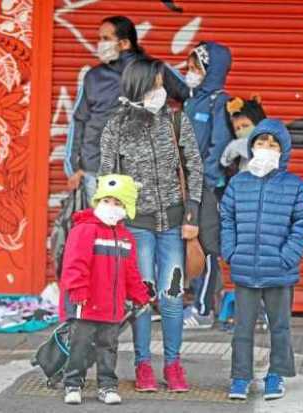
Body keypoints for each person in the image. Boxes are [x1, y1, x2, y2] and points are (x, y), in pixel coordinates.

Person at [99, 58, 204, 392]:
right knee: (142, 298)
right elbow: (106, 175)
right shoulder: (115, 125)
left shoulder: (176, 121)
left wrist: (192, 215)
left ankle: (173, 366)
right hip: (136, 228)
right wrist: (111, 218)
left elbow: (194, 168)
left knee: (172, 296)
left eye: (162, 85)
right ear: (138, 86)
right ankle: (143, 365)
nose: (161, 91)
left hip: (174, 226)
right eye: (155, 85)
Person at [220, 119, 303, 401]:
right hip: (245, 268)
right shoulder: (238, 183)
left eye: (273, 144)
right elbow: (227, 218)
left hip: (279, 270)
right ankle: (240, 377)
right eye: (261, 142)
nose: (266, 148)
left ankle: (276, 375)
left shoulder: (295, 185)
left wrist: (288, 256)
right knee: (242, 328)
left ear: (283, 151)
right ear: (252, 146)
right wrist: (231, 252)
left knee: (280, 326)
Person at [65, 15, 188, 201]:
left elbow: (192, 98)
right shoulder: (94, 76)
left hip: (142, 173)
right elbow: (79, 120)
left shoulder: (155, 70)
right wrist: (74, 167)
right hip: (96, 171)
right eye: (99, 39)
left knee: (135, 229)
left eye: (105, 39)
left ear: (124, 43)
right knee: (101, 228)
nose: (100, 44)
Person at [60, 174, 151, 405]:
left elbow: (131, 272)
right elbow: (74, 263)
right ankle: (73, 383)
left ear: (127, 208)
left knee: (108, 347)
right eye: (107, 201)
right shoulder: (85, 230)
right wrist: (77, 290)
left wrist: (140, 295)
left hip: (112, 306)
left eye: (118, 203)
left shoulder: (126, 237)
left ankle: (107, 385)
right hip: (85, 303)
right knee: (79, 345)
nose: (111, 207)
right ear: (98, 200)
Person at [182, 41, 234, 329]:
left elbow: (219, 146)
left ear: (210, 70)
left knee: (208, 245)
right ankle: (200, 300)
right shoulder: (193, 101)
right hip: (187, 184)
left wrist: (206, 180)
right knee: (192, 244)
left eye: (195, 68)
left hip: (208, 187)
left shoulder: (219, 102)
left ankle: (203, 310)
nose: (189, 73)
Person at [221, 95, 267, 173]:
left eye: (245, 126)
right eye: (237, 129)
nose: (241, 131)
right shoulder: (242, 154)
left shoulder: (269, 144)